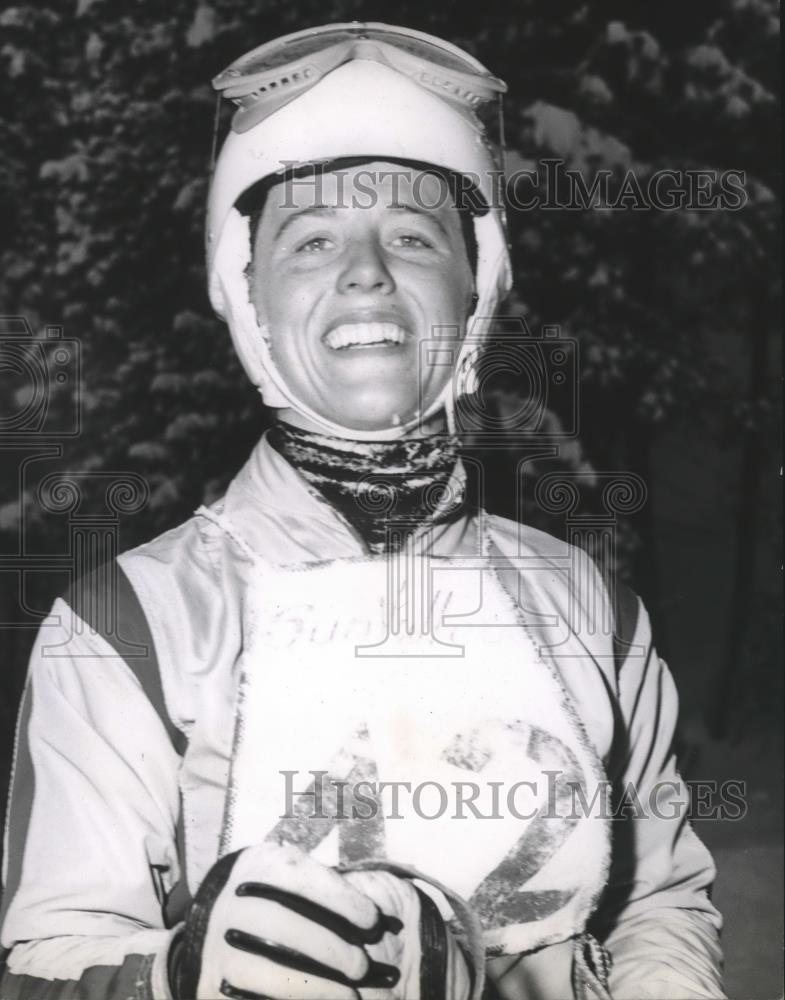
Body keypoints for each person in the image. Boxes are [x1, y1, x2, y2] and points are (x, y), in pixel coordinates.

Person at [0, 22, 725, 1000]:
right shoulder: (124, 629)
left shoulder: (598, 620)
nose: (366, 271)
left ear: (475, 287)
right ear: (244, 289)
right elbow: (45, 959)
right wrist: (167, 980)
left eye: (414, 235)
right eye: (310, 239)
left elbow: (660, 904)